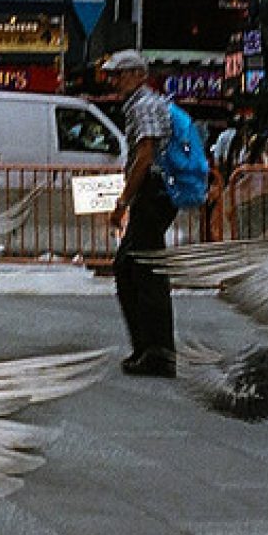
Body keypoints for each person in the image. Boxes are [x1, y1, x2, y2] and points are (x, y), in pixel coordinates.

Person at [103, 50, 177, 378]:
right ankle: (149, 348)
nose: (114, 81)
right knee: (136, 268)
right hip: (154, 193)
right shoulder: (140, 105)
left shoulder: (145, 105)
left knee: (143, 270)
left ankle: (157, 352)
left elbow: (145, 155)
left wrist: (123, 201)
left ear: (136, 74)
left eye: (119, 75)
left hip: (154, 192)